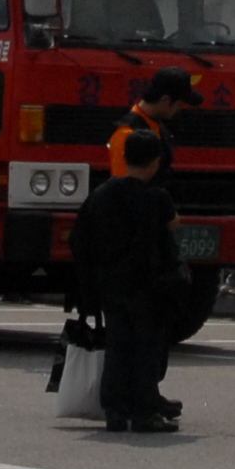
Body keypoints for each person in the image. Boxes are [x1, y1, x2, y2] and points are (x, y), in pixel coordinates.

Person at [75, 127, 187, 433]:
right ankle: (144, 411)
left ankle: (114, 409)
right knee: (146, 349)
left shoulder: (102, 194)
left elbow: (81, 237)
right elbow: (173, 225)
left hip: (111, 283)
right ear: (156, 162)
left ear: (124, 157)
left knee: (117, 345)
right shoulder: (157, 197)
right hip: (148, 285)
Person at [105, 68, 201, 176]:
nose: (181, 108)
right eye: (180, 104)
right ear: (165, 100)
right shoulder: (126, 134)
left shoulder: (156, 124)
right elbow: (122, 183)